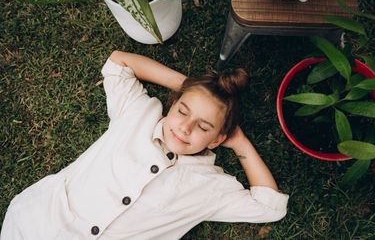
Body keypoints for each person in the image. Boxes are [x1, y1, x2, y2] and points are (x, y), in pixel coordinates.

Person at [1, 51, 289, 240]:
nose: (185, 128)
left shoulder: (210, 187)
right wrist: (187, 85)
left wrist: (240, 143)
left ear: (216, 140)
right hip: (36, 226)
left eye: (203, 127)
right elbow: (118, 63)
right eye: (183, 111)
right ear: (173, 104)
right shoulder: (138, 112)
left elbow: (269, 207)